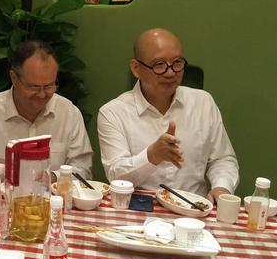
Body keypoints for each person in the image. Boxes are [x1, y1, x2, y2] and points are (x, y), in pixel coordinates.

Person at [97, 28, 238, 203]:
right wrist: (152, 156)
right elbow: (116, 177)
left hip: (194, 210)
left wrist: (221, 187)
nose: (171, 72)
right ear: (136, 68)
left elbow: (222, 159)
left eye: (177, 63)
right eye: (159, 65)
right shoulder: (113, 112)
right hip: (139, 211)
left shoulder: (203, 103)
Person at [0, 39, 92, 177]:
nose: (41, 94)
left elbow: (82, 170)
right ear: (14, 78)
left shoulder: (69, 113)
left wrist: (53, 177)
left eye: (49, 86)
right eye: (33, 87)